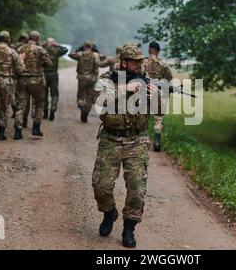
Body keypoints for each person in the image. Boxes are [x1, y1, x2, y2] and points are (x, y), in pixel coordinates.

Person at [92, 43, 159, 248]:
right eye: (134, 62)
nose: (139, 65)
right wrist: (125, 89)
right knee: (100, 186)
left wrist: (154, 97)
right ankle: (109, 213)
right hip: (111, 139)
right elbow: (99, 101)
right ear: (123, 62)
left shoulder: (146, 81)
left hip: (137, 140)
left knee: (137, 189)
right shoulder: (106, 79)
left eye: (140, 61)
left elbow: (157, 111)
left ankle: (129, 228)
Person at [14, 31, 53, 139]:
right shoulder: (40, 49)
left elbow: (16, 64)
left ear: (29, 38)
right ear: (38, 39)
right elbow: (49, 63)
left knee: (20, 105)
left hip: (23, 81)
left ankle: (18, 131)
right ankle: (36, 128)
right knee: (39, 104)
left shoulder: (20, 49)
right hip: (37, 81)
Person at [144, 41, 173, 152]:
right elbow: (169, 78)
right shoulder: (163, 63)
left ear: (149, 49)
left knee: (143, 116)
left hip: (144, 92)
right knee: (158, 118)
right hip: (158, 94)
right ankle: (157, 142)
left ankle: (143, 140)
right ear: (158, 51)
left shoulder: (143, 62)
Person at [69, 41, 103, 123]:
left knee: (80, 96)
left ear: (84, 46)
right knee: (89, 98)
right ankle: (86, 112)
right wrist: (96, 51)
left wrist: (78, 49)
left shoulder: (80, 54)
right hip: (92, 79)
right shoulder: (96, 55)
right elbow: (103, 58)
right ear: (91, 47)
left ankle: (81, 106)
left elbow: (70, 54)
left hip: (82, 78)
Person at [42, 37, 68, 121]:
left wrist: (43, 44)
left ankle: (45, 112)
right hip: (53, 74)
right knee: (54, 94)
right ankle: (53, 108)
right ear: (53, 43)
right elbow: (65, 49)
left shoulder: (42, 49)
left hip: (44, 74)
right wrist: (58, 45)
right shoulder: (56, 50)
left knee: (44, 93)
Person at [11, 32, 29, 119]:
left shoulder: (14, 46)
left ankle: (15, 108)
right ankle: (21, 113)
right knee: (23, 96)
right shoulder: (28, 48)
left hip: (14, 73)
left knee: (13, 93)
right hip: (25, 73)